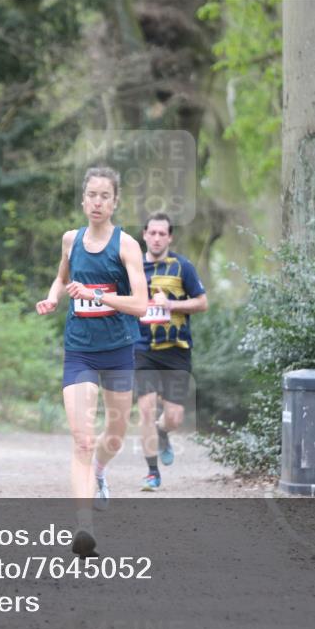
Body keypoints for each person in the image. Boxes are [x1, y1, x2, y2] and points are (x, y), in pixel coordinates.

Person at [36, 166, 147, 557]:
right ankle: (84, 527)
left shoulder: (126, 245)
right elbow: (61, 277)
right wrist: (54, 297)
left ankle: (100, 471)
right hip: (79, 349)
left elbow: (141, 304)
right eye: (92, 195)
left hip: (117, 349)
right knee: (83, 438)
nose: (97, 202)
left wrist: (99, 296)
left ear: (115, 202)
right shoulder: (71, 240)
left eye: (105, 196)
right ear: (83, 200)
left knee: (114, 434)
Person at [134, 213, 207, 491]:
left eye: (162, 234)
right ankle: (152, 472)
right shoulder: (133, 268)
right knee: (146, 409)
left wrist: (172, 306)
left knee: (174, 418)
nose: (156, 238)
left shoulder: (182, 267)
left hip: (176, 350)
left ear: (170, 237)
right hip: (142, 348)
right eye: (152, 233)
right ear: (144, 234)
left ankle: (162, 432)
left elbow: (202, 302)